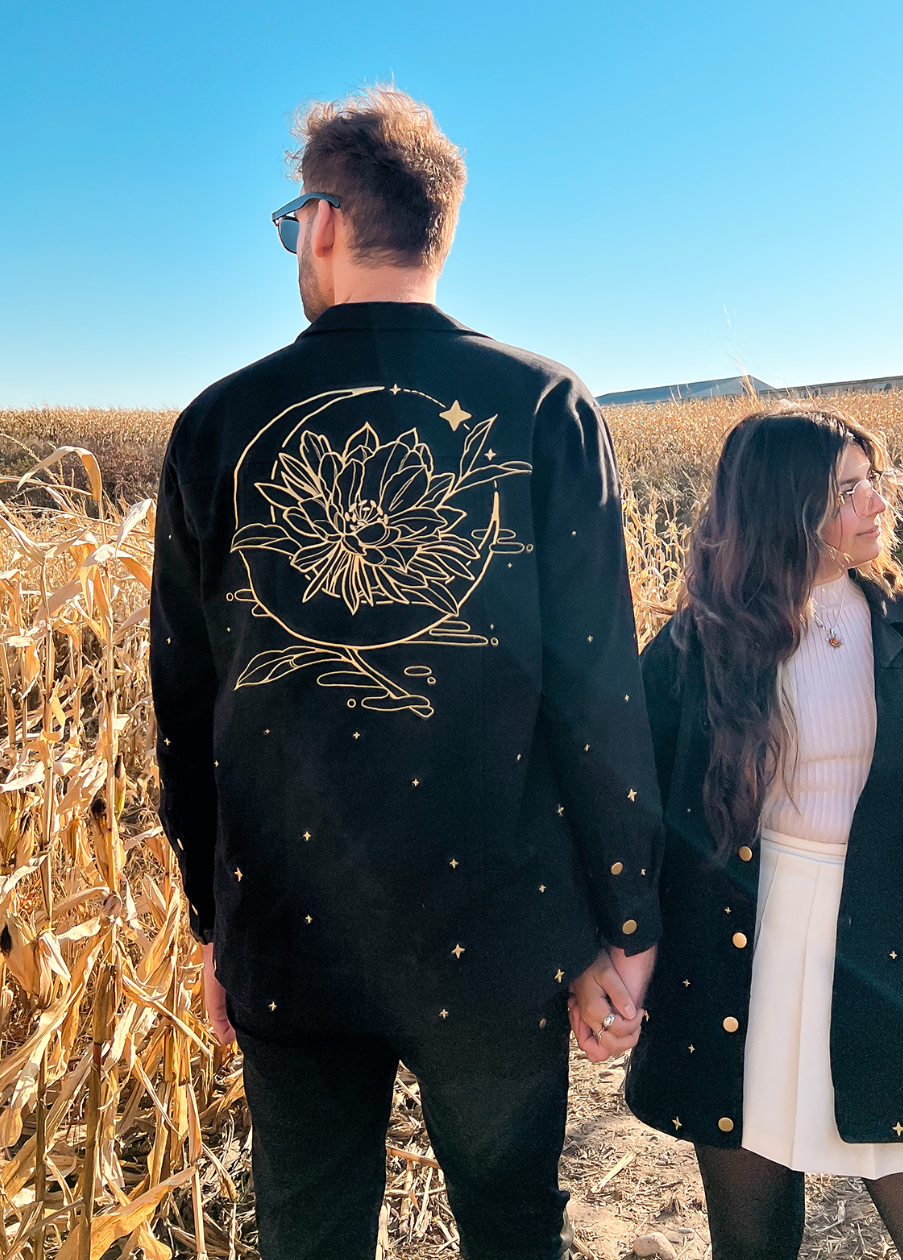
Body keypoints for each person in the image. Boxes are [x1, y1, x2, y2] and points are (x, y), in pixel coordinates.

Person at [149, 87, 663, 1260]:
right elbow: (596, 690)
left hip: (289, 925)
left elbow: (183, 704)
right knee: (511, 1221)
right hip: (500, 927)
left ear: (324, 221)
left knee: (312, 1227)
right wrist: (626, 918)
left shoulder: (220, 423)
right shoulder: (544, 404)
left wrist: (210, 923)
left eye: (293, 227)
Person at [624, 408, 903, 1260]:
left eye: (873, 479)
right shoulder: (696, 648)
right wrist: (619, 956)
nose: (879, 502)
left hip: (889, 957)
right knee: (752, 1244)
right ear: (785, 510)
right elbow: (635, 812)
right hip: (741, 966)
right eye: (849, 490)